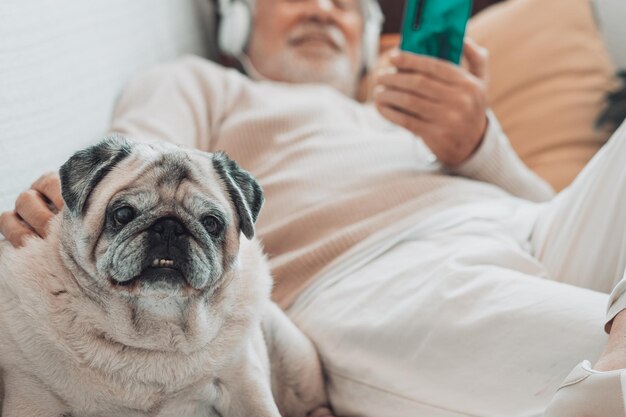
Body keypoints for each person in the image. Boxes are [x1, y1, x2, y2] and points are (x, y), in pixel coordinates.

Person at [0, 0, 625, 415]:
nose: (325, 8)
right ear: (238, 21)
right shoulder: (202, 83)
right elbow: (135, 176)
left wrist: (479, 146)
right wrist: (52, 204)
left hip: (527, 226)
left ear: (366, 49)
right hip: (376, 278)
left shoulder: (407, 120)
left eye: (347, 4)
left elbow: (563, 215)